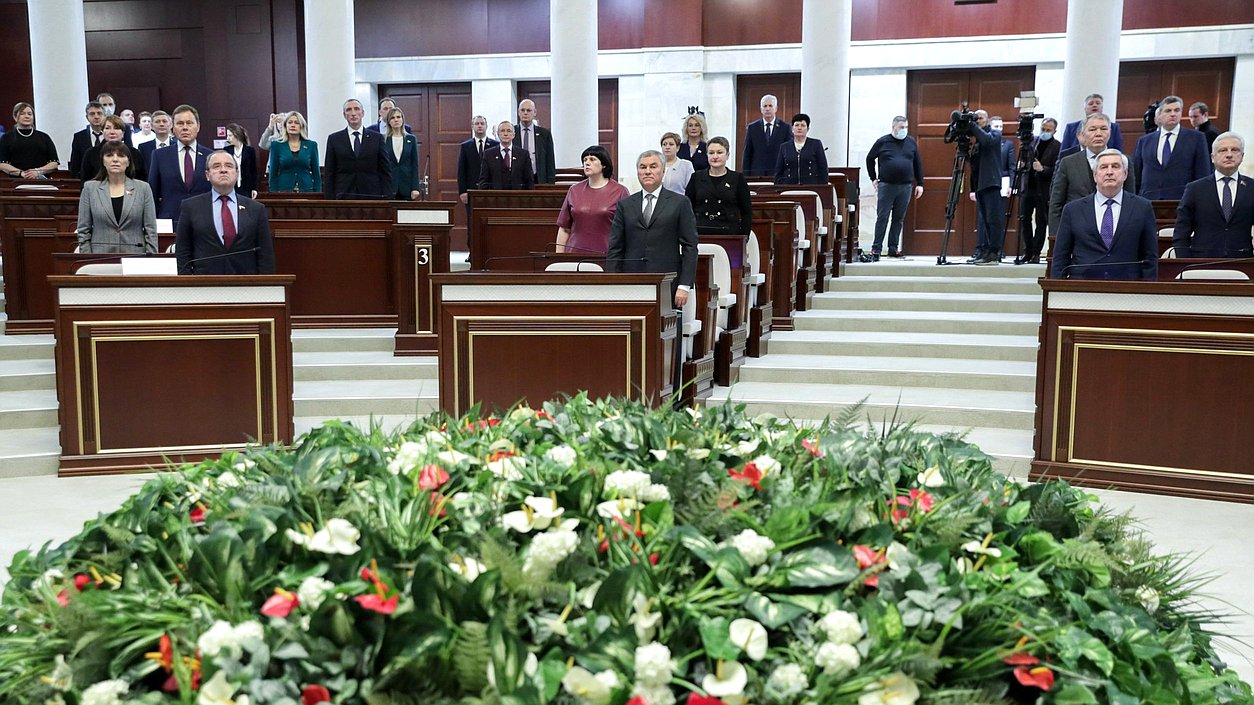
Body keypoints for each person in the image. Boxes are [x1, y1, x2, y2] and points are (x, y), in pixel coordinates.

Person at [607, 150, 698, 307]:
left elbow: (690, 246)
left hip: (667, 281)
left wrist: (684, 285)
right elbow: (615, 247)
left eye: (653, 166)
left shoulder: (680, 203)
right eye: (642, 167)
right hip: (631, 282)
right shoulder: (625, 204)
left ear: (663, 171)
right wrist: (612, 282)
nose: (647, 171)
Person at [1051, 148, 1158, 280]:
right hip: (1082, 287)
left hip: (1128, 289)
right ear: (1095, 175)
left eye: (1115, 166)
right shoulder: (1073, 210)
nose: (1109, 172)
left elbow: (1150, 256)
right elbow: (1060, 257)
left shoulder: (1142, 207)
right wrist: (1058, 291)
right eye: (1103, 167)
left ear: (1125, 174)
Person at [175, 150, 275, 275]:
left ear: (237, 173)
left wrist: (266, 286)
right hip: (204, 285)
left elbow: (265, 254)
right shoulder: (190, 207)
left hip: (247, 284)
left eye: (229, 166)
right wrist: (188, 284)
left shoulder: (256, 209)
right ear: (207, 175)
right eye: (216, 166)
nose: (223, 170)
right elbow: (183, 251)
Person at [1049, 113, 1137, 237]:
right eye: (1092, 129)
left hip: (1112, 231)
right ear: (1083, 134)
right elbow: (1056, 204)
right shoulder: (1068, 163)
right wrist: (1056, 238)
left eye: (1103, 129)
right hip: (1076, 232)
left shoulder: (1123, 161)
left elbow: (1131, 200)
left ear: (1110, 132)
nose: (1098, 133)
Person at [1172, 132, 1254, 258]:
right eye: (1223, 150)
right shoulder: (1195, 189)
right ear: (1212, 157)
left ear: (1242, 156)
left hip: (1242, 261)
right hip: (1202, 261)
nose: (1229, 155)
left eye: (1235, 150)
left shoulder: (1251, 187)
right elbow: (1181, 232)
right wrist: (1184, 262)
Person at [75, 139, 158, 254]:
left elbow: (151, 230)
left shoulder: (143, 188)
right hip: (99, 257)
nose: (115, 160)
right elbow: (83, 230)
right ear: (103, 161)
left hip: (135, 257)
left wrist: (150, 258)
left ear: (128, 162)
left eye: (121, 155)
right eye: (109, 155)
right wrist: (87, 258)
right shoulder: (90, 188)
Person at [1132, 95, 1212, 201]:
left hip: (1183, 201)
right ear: (1159, 115)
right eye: (1168, 111)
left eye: (1177, 110)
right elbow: (1136, 175)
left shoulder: (1196, 138)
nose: (1173, 114)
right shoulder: (1144, 141)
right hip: (1148, 201)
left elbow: (1203, 174)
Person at [866, 116, 924, 258]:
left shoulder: (911, 142)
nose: (904, 130)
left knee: (898, 218)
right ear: (893, 127)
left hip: (905, 186)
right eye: (901, 127)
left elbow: (918, 164)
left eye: (906, 127)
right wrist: (873, 178)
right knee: (883, 217)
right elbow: (869, 158)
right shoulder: (883, 142)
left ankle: (893, 248)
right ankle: (876, 249)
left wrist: (920, 184)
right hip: (886, 185)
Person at [555, 145, 629, 254]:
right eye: (585, 160)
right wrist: (558, 257)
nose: (587, 163)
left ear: (604, 164)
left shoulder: (620, 191)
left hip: (607, 254)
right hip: (574, 253)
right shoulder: (574, 190)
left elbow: (627, 230)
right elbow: (564, 228)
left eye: (592, 159)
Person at [148, 104, 213, 222]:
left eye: (189, 123)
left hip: (204, 221)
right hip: (170, 221)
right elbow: (153, 194)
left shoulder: (211, 156)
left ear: (198, 127)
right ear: (173, 127)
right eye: (180, 123)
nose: (185, 127)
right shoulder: (159, 155)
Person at [323, 98, 392, 199]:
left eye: (356, 109)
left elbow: (385, 169)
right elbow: (329, 171)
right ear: (344, 115)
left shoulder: (376, 138)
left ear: (363, 113)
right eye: (349, 110)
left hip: (371, 195)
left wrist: (388, 196)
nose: (353, 113)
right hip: (344, 195)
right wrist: (329, 198)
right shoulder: (334, 139)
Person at [685, 136, 752, 235]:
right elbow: (687, 209)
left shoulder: (737, 178)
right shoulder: (696, 177)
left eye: (719, 152)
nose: (715, 156)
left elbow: (746, 212)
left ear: (727, 155)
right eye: (711, 153)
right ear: (706, 155)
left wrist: (744, 239)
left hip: (729, 232)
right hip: (700, 232)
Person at [966, 110, 1007, 264]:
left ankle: (994, 252)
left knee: (993, 219)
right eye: (975, 118)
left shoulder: (995, 134)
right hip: (980, 184)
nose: (977, 121)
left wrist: (972, 125)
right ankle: (985, 251)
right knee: (984, 219)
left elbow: (987, 140)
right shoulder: (977, 139)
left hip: (991, 182)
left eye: (980, 118)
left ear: (987, 120)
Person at [1018, 118, 1061, 263]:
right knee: (1024, 219)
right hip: (1028, 186)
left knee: (1041, 222)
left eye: (1048, 130)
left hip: (1043, 188)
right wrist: (1022, 164)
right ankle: (1027, 251)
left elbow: (1058, 169)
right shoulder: (1032, 142)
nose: (1045, 132)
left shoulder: (1057, 146)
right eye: (1043, 129)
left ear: (1054, 131)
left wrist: (1043, 169)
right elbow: (1024, 160)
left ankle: (1036, 252)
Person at [80, 115, 147, 185]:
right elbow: (85, 180)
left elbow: (142, 178)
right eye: (107, 128)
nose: (112, 132)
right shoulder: (91, 153)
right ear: (102, 131)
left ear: (123, 133)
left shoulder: (134, 153)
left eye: (116, 128)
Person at [0, 102, 59, 179]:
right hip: (15, 181)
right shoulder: (7, 138)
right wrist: (21, 173)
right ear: (15, 117)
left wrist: (37, 171)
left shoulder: (44, 137)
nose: (27, 116)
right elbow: (2, 163)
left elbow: (54, 163)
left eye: (30, 114)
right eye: (22, 114)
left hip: (41, 180)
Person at [267, 111, 321, 193]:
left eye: (297, 123)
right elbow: (273, 174)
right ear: (285, 125)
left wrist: (318, 194)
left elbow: (316, 174)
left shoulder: (311, 145)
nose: (293, 125)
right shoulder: (276, 145)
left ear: (302, 126)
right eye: (290, 122)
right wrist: (273, 194)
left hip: (307, 190)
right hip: (284, 191)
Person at [741, 94, 790, 177]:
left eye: (770, 106)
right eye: (765, 106)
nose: (767, 109)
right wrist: (745, 176)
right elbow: (747, 153)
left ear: (776, 109)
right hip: (756, 174)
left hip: (779, 174)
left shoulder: (785, 128)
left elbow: (788, 153)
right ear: (761, 109)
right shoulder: (752, 128)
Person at [774, 113, 828, 185]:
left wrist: (822, 187)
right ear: (792, 128)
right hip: (789, 187)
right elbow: (779, 171)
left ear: (808, 129)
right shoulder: (784, 147)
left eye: (803, 125)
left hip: (811, 187)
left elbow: (823, 169)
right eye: (796, 125)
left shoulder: (816, 144)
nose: (799, 128)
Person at [1059, 93, 1124, 153]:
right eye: (1091, 104)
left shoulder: (1114, 127)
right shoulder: (1071, 127)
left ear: (1102, 107)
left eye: (1098, 103)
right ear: (1085, 108)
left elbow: (1118, 150)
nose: (1095, 105)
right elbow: (1064, 151)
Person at [478, 121, 533, 190]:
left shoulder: (523, 154)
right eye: (502, 131)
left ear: (513, 135)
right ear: (498, 134)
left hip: (518, 197)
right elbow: (483, 181)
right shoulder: (488, 154)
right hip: (495, 197)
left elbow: (529, 180)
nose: (506, 134)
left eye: (509, 131)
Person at [457, 115, 497, 207]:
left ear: (486, 126)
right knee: (471, 219)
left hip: (491, 190)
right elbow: (461, 171)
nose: (479, 126)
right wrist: (462, 191)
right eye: (477, 123)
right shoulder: (465, 146)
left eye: (482, 123)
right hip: (471, 190)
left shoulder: (495, 145)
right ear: (472, 126)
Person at [383, 107, 422, 200]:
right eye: (392, 118)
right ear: (388, 122)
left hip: (407, 187)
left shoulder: (411, 139)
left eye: (398, 117)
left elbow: (414, 164)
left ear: (402, 119)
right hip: (389, 186)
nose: (396, 120)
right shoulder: (383, 139)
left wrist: (415, 188)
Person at [515, 99, 556, 184]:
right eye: (522, 110)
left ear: (535, 112)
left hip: (538, 178)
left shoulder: (544, 134)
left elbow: (550, 160)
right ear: (518, 112)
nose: (525, 113)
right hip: (516, 179)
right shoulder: (512, 132)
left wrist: (551, 182)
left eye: (529, 110)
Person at [68, 101, 107, 179]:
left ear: (104, 116)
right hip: (87, 180)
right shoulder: (79, 137)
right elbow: (75, 164)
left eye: (99, 113)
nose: (96, 117)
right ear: (87, 117)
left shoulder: (110, 135)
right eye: (92, 114)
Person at [223, 123, 258, 198]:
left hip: (246, 186)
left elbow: (253, 171)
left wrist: (254, 188)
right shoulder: (227, 150)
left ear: (237, 135)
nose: (227, 138)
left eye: (230, 135)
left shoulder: (249, 151)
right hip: (231, 186)